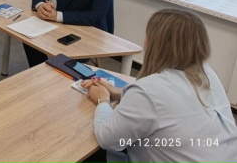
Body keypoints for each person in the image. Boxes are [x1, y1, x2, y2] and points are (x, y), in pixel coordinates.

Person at [82, 9, 237, 163]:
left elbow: (106, 139)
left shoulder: (147, 92)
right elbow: (170, 101)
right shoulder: (207, 73)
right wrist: (120, 92)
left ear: (154, 44)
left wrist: (103, 100)